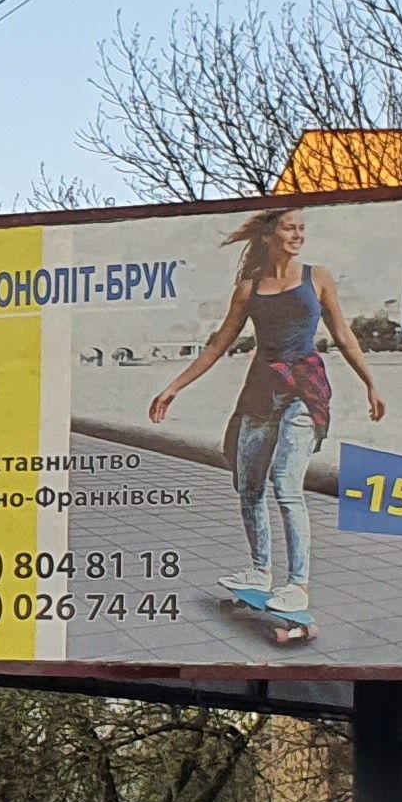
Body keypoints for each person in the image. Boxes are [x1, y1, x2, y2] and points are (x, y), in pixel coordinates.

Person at [147, 205, 387, 614]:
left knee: (285, 484)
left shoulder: (318, 278)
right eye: (289, 229)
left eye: (301, 229)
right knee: (248, 484)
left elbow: (343, 335)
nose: (298, 235)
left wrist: (370, 383)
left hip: (305, 390)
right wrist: (174, 387)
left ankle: (297, 583)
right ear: (268, 236)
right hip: (260, 390)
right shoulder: (248, 289)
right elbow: (218, 345)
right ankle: (260, 571)